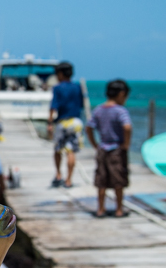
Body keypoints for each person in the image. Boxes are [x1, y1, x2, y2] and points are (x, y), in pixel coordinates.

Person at [86, 79, 132, 218]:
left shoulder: (99, 109)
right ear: (121, 94)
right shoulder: (120, 110)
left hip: (102, 148)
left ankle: (101, 209)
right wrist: (126, 144)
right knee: (118, 180)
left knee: (101, 181)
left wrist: (94, 144)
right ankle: (119, 210)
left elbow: (89, 127)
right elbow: (127, 127)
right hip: (117, 149)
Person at [46, 62, 84, 188]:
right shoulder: (78, 87)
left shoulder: (57, 88)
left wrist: (50, 123)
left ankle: (58, 174)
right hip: (76, 121)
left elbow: (53, 107)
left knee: (57, 150)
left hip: (62, 122)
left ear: (60, 74)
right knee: (71, 151)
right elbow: (81, 105)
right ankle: (69, 180)